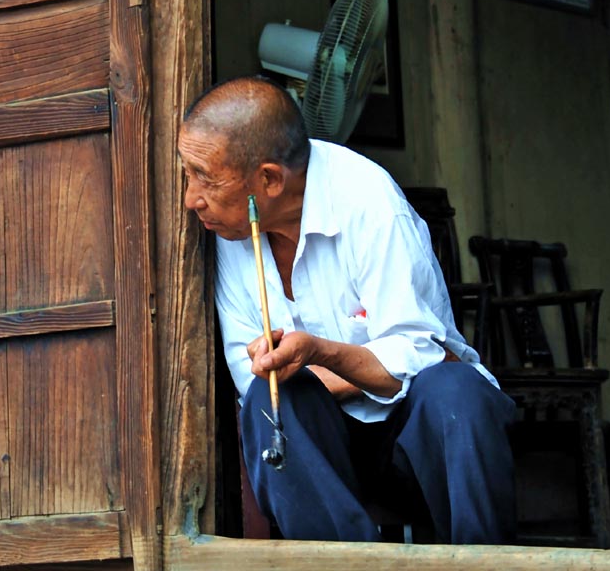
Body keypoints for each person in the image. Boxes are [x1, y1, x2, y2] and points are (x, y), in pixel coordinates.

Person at [179, 75, 516, 544]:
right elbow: (253, 377)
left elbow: (418, 355)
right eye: (188, 175)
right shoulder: (230, 231)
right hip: (327, 451)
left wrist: (320, 354)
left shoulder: (369, 202)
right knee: (269, 403)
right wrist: (320, 376)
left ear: (270, 180)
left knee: (454, 389)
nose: (191, 198)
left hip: (417, 436)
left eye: (205, 178)